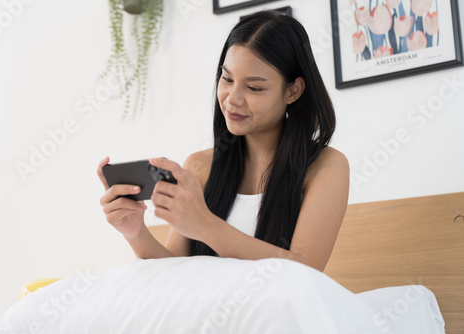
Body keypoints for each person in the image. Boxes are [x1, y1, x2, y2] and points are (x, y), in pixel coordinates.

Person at [97, 10, 349, 272]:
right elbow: (176, 273)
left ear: (293, 91)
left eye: (254, 88)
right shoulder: (199, 166)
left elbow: (305, 268)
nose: (232, 99)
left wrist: (206, 225)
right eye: (227, 79)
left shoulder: (326, 166)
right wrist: (136, 232)